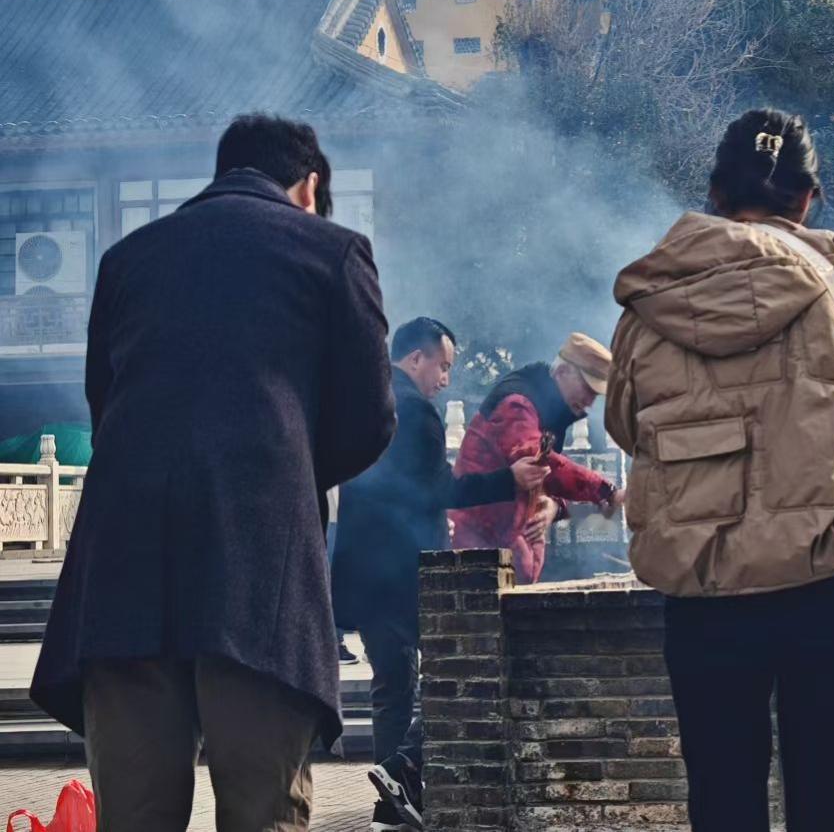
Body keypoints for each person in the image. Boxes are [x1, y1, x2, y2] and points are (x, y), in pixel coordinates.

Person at [31, 113, 397, 832]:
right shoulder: (335, 253)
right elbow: (370, 419)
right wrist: (282, 469)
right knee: (261, 810)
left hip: (124, 571)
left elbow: (106, 405)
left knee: (133, 816)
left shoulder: (128, 258)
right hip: (257, 570)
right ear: (310, 186)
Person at [607, 108, 834, 832]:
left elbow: (626, 428)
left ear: (715, 194)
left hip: (703, 573)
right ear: (807, 196)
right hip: (828, 568)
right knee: (829, 787)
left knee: (722, 792)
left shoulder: (649, 301)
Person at [331, 317, 547, 832]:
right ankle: (400, 776)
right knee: (449, 673)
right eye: (443, 365)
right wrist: (507, 479)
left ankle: (392, 800)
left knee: (393, 687)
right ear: (415, 358)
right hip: (406, 571)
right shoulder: (417, 414)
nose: (445, 379)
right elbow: (435, 494)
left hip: (365, 572)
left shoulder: (363, 403)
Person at [451, 333, 623, 583]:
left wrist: (555, 506)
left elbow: (541, 479)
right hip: (477, 550)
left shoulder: (551, 411)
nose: (589, 401)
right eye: (587, 388)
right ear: (562, 372)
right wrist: (604, 490)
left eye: (595, 394)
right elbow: (538, 462)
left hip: (508, 550)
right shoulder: (517, 404)